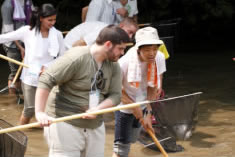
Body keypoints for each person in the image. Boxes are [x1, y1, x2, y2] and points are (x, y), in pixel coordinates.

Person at [35, 25, 129, 157]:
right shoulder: (77, 57)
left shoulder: (114, 65)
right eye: (120, 48)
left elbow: (116, 95)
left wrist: (99, 108)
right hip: (65, 121)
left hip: (95, 124)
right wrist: (39, 112)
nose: (122, 53)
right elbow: (46, 79)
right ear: (108, 44)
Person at [0, 3, 64, 125]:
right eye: (49, 20)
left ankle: (45, 137)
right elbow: (5, 37)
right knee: (29, 109)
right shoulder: (27, 31)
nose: (52, 23)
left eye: (54, 20)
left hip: (48, 76)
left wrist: (48, 66)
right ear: (41, 18)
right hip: (30, 76)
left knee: (48, 110)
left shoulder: (58, 35)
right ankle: (21, 132)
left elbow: (63, 57)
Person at [112, 27, 167, 157]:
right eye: (147, 50)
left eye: (155, 49)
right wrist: (133, 106)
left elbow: (154, 86)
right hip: (124, 106)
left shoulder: (159, 57)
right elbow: (116, 89)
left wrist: (148, 112)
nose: (152, 53)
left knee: (132, 139)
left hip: (143, 103)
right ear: (138, 49)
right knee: (121, 148)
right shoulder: (123, 63)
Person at [1, 0, 33, 94]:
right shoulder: (7, 5)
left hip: (25, 40)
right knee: (15, 74)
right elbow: (9, 32)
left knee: (27, 71)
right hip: (11, 43)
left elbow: (32, 20)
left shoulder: (28, 2)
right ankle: (12, 101)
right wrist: (21, 48)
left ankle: (23, 97)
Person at [64, 17, 138, 50]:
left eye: (133, 34)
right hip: (68, 48)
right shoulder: (106, 30)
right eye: (130, 32)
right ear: (121, 26)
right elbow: (79, 44)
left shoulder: (112, 32)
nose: (130, 37)